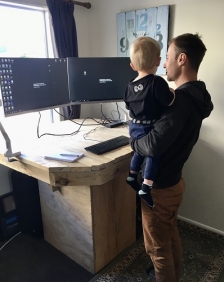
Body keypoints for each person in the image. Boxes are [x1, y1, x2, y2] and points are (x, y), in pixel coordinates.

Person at [130, 33, 213, 282]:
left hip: (160, 189)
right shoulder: (197, 95)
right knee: (169, 236)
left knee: (157, 250)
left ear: (182, 59)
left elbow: (153, 144)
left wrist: (133, 140)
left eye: (166, 57)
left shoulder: (180, 102)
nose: (163, 64)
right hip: (174, 182)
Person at [124, 36, 175, 207]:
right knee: (153, 153)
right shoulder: (156, 82)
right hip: (149, 126)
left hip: (133, 126)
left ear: (132, 65)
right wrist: (173, 92)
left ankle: (132, 175)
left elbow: (128, 105)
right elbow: (168, 101)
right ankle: (146, 186)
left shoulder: (129, 85)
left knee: (139, 150)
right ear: (158, 61)